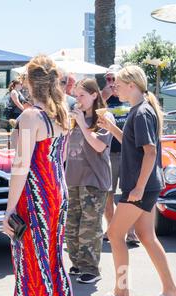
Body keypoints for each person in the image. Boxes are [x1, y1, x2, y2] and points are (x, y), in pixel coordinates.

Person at [98, 65, 176, 296]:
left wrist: (138, 187)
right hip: (145, 185)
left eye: (118, 84)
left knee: (115, 234)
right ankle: (171, 291)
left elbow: (149, 152)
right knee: (146, 236)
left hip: (140, 187)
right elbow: (132, 143)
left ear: (132, 85)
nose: (115, 87)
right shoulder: (140, 110)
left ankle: (121, 292)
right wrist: (112, 128)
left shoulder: (141, 112)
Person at [2, 55, 73, 296]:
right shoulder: (62, 115)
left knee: (31, 260)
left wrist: (9, 210)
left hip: (36, 195)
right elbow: (59, 157)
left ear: (30, 83)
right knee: (52, 257)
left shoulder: (32, 116)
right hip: (57, 190)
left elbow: (21, 167)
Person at [65, 79, 114, 284]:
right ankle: (77, 263)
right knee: (71, 226)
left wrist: (84, 125)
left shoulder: (104, 116)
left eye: (82, 95)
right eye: (76, 96)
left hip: (94, 179)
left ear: (94, 95)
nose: (78, 100)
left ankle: (91, 269)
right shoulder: (76, 117)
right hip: (72, 179)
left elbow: (99, 146)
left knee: (89, 226)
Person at [101, 65, 140, 246]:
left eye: (113, 79)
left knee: (128, 193)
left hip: (127, 155)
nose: (111, 83)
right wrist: (103, 97)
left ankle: (131, 232)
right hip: (108, 154)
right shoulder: (103, 100)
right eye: (107, 79)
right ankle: (112, 229)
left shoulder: (130, 99)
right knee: (107, 194)